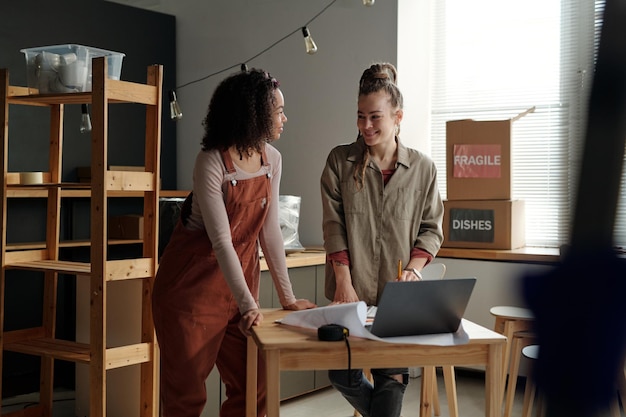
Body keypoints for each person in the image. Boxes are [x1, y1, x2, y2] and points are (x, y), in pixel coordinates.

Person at [152, 68, 316, 417]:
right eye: (278, 112)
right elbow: (222, 241)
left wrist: (286, 298)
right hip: (190, 296)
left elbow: (269, 230)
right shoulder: (211, 163)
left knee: (255, 387)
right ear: (253, 114)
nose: (285, 118)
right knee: (187, 398)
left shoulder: (272, 160)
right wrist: (248, 306)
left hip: (238, 291)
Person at [320, 62, 444, 417]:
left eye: (375, 117)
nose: (366, 126)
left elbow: (432, 228)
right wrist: (343, 283)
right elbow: (333, 226)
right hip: (350, 292)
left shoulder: (423, 168)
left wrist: (416, 270)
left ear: (398, 116)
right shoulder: (339, 162)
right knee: (340, 371)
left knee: (391, 378)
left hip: (397, 297)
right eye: (360, 117)